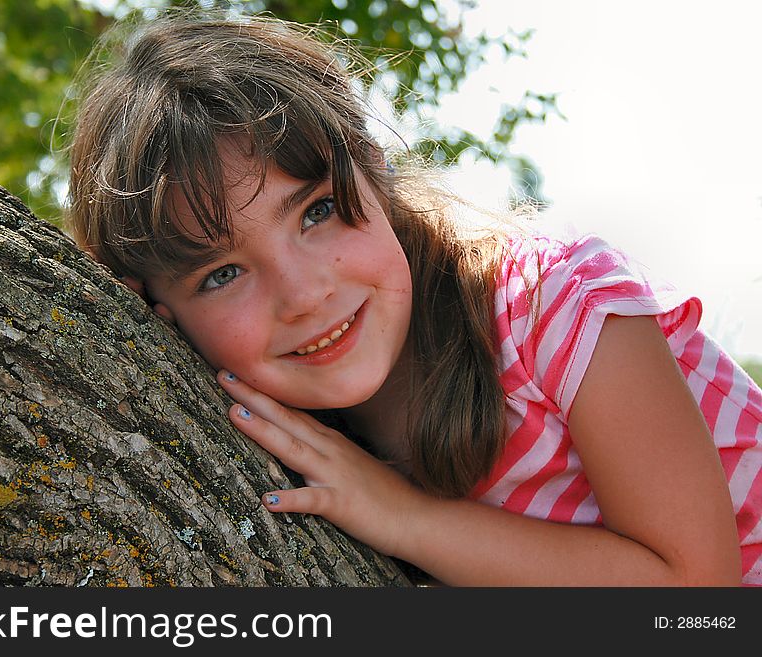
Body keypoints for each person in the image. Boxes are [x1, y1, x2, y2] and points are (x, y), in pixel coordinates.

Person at [66, 13, 762, 586]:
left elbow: (696, 595)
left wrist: (403, 517)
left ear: (373, 171)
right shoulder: (271, 445)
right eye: (222, 274)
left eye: (316, 211)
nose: (306, 294)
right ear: (159, 317)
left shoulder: (555, 303)